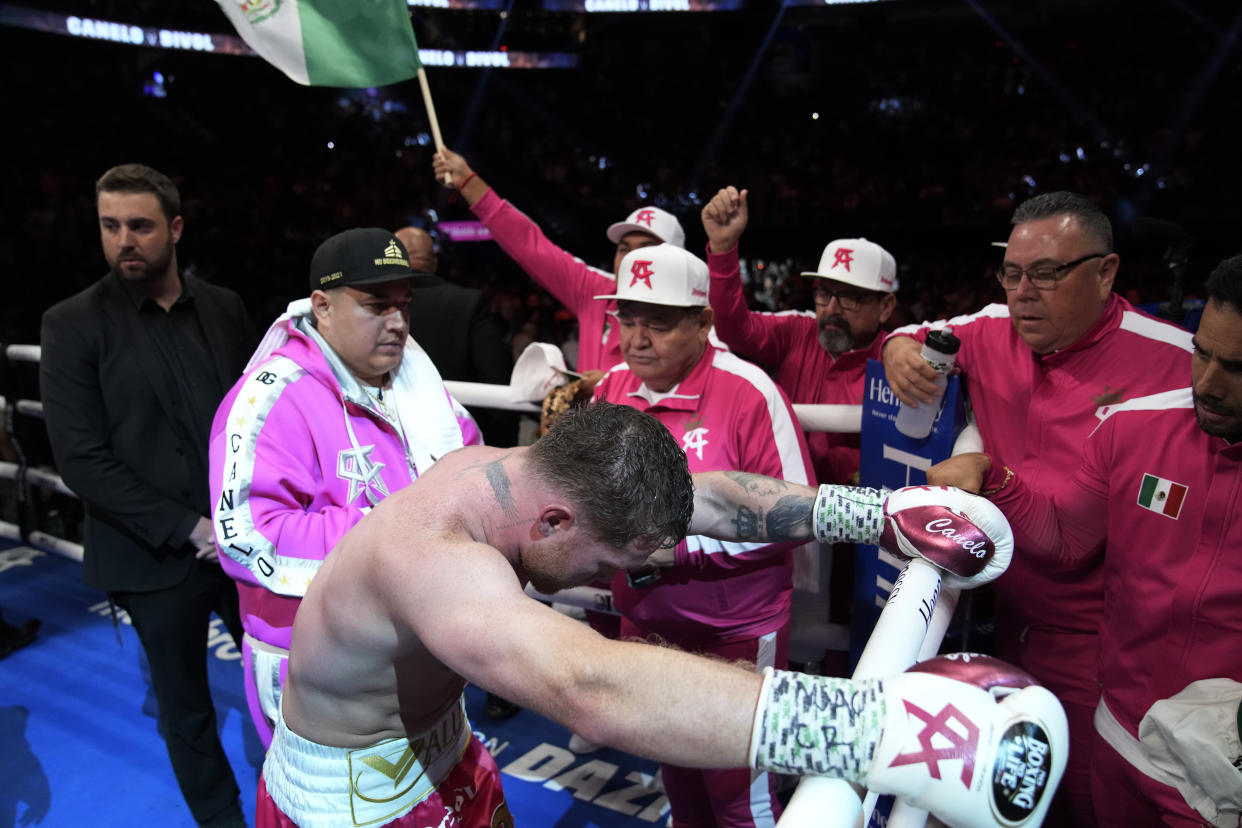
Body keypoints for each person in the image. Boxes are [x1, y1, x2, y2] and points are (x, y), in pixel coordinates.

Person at [258, 400, 1065, 828]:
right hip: (358, 799)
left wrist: (879, 513)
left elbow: (708, 497)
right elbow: (586, 684)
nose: (621, 582)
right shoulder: (433, 557)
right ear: (553, 526)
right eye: (609, 565)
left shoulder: (529, 474)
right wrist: (877, 732)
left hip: (445, 747)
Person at [883, 190, 1193, 827]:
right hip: (1015, 619)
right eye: (1013, 272)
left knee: (1088, 804)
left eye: (1047, 273)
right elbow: (918, 335)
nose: (1023, 292)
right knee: (1011, 802)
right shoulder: (995, 330)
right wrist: (897, 350)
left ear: (1106, 273)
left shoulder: (1178, 363)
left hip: (1116, 646)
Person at [927, 254, 1242, 827]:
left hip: (1229, 768)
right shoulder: (1132, 426)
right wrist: (992, 476)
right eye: (1202, 354)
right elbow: (1066, 539)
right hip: (1119, 732)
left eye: (1237, 368)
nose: (1209, 384)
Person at [40, 163, 255, 827]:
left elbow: (255, 416)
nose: (123, 240)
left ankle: (302, 806)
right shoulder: (71, 324)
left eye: (139, 225)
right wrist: (192, 529)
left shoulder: (224, 307)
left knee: (288, 687)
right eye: (110, 226)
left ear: (176, 228)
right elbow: (83, 460)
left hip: (248, 546)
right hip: (153, 560)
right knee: (186, 711)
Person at [209, 227, 481, 748]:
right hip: (316, 656)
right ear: (322, 307)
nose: (398, 322)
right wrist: (403, 531)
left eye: (404, 305)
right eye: (377, 305)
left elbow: (470, 475)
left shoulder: (418, 384)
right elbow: (247, 537)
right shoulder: (270, 397)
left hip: (420, 638)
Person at [589, 243, 813, 827]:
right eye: (626, 320)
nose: (636, 339)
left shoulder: (749, 392)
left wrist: (673, 545)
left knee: (743, 800)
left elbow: (799, 515)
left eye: (657, 324)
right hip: (648, 628)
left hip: (734, 631)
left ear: (704, 323)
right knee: (680, 785)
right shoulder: (609, 388)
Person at [703, 185, 897, 486]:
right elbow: (733, 329)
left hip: (864, 517)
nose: (831, 309)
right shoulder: (798, 330)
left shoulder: (898, 359)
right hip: (786, 505)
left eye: (849, 297)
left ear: (885, 307)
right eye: (824, 293)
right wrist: (723, 249)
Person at [431, 147, 687, 373]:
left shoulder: (693, 315)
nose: (633, 260)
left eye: (647, 250)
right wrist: (467, 180)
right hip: (589, 428)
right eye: (624, 249)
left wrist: (609, 387)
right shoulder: (596, 291)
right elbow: (529, 245)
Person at [394, 225, 519, 448]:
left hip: (394, 437)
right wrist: (501, 448)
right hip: (461, 441)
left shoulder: (370, 307)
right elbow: (497, 374)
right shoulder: (467, 303)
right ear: (434, 263)